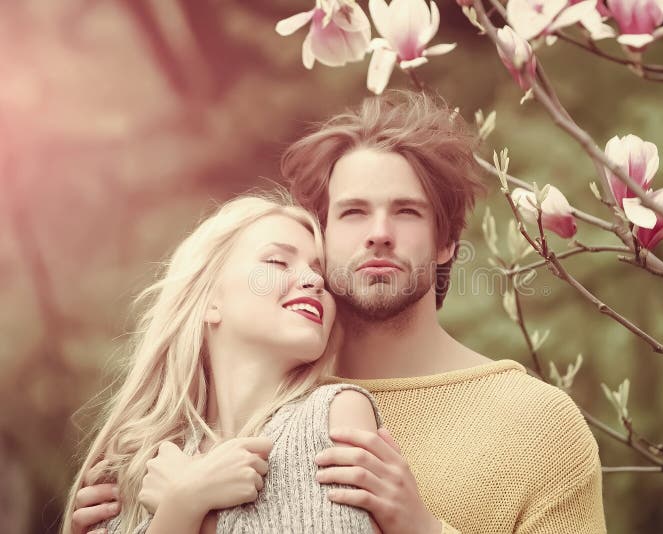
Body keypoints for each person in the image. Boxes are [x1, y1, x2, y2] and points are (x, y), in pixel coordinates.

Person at [73, 90, 607, 533]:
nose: (379, 232)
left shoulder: (535, 425)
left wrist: (423, 527)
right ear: (320, 236)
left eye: (406, 211)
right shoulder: (210, 422)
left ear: (445, 242)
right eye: (352, 212)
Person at [63, 194, 382, 534]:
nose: (315, 281)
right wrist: (184, 503)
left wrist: (187, 506)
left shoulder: (334, 416)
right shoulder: (136, 463)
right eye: (277, 262)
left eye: (321, 274)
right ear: (210, 301)